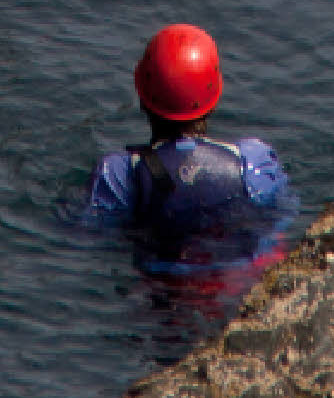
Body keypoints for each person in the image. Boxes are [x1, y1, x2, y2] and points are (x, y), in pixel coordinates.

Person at [78, 25, 290, 274]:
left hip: (160, 290)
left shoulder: (118, 174)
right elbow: (281, 216)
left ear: (142, 95)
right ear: (214, 96)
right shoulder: (254, 161)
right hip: (236, 278)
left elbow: (88, 231)